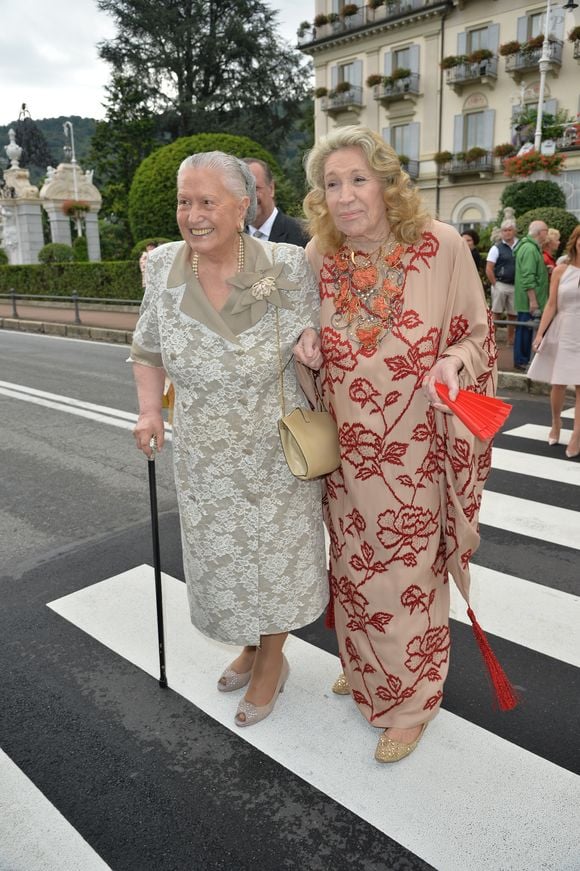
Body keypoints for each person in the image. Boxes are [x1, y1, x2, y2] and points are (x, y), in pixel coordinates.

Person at [296, 126, 507, 764]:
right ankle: (365, 674)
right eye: (332, 184)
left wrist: (453, 363)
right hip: (348, 456)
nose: (345, 196)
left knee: (406, 578)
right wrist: (304, 348)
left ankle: (412, 701)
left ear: (388, 183)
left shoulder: (440, 246)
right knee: (355, 572)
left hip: (416, 453)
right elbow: (308, 344)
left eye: (358, 179)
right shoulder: (317, 259)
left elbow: (479, 334)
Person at [130, 151, 328, 727]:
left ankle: (272, 659)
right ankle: (250, 644)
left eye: (207, 201)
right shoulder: (164, 266)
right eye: (184, 201)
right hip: (205, 452)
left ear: (244, 206)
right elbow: (147, 350)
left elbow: (310, 326)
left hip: (275, 447)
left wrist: (308, 343)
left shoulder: (286, 263)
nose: (192, 215)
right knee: (227, 561)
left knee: (276, 559)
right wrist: (149, 412)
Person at [528, 225, 580, 459]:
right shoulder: (561, 270)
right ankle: (556, 422)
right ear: (575, 241)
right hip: (563, 328)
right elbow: (551, 304)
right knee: (558, 384)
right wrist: (540, 334)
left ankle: (576, 435)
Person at [243, 158, 309, 246]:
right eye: (243, 190)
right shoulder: (232, 237)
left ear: (271, 188)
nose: (249, 197)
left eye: (255, 188)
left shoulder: (303, 234)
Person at [513, 220, 549, 371]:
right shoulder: (530, 249)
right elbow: (528, 277)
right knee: (525, 330)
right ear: (540, 232)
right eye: (546, 230)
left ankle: (522, 360)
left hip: (526, 300)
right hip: (529, 301)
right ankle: (522, 360)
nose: (547, 234)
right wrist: (533, 301)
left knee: (524, 330)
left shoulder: (528, 247)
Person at [486, 219, 519, 346]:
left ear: (514, 231)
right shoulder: (496, 248)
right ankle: (492, 341)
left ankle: (510, 341)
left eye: (509, 230)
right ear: (501, 232)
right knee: (496, 313)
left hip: (515, 286)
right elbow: (489, 268)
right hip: (500, 284)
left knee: (513, 314)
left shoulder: (520, 245)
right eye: (505, 230)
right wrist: (495, 285)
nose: (507, 233)